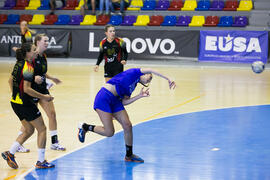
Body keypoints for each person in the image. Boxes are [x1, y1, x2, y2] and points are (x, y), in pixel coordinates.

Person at [78, 68, 176, 162]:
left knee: (127, 125)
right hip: (104, 97)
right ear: (144, 73)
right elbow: (152, 69)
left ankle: (129, 155)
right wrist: (168, 78)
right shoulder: (134, 72)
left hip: (116, 101)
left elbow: (124, 101)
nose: (150, 79)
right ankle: (85, 127)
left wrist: (139, 96)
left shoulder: (133, 86)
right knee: (109, 132)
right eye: (150, 77)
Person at [2, 42, 55, 169]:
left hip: (15, 103)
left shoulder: (18, 64)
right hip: (25, 103)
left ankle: (10, 153)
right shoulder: (28, 67)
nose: (35, 52)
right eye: (33, 50)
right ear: (27, 53)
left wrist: (16, 93)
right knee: (42, 129)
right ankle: (40, 161)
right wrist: (44, 97)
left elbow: (10, 80)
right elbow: (26, 89)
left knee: (29, 130)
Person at [15, 34, 66, 152]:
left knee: (52, 114)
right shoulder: (32, 56)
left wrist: (52, 78)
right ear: (37, 42)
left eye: (48, 40)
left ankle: (54, 142)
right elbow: (25, 73)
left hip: (43, 89)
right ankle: (18, 144)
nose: (47, 42)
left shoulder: (44, 56)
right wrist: (34, 78)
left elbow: (42, 72)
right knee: (30, 120)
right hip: (32, 91)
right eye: (45, 41)